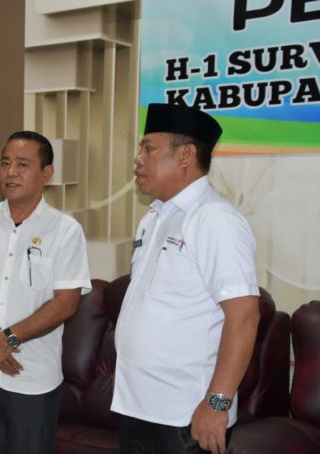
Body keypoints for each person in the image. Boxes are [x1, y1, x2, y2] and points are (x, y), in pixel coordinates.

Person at [112, 103, 261, 454]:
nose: (138, 159)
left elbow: (244, 316)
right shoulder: (154, 217)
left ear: (185, 155)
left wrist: (217, 403)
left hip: (186, 415)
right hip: (138, 407)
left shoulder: (215, 219)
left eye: (148, 148)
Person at [0, 131, 91, 454]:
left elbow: (66, 303)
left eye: (23, 164)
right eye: (5, 163)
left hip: (32, 379)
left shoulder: (65, 230)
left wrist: (8, 339)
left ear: (46, 173)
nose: (11, 172)